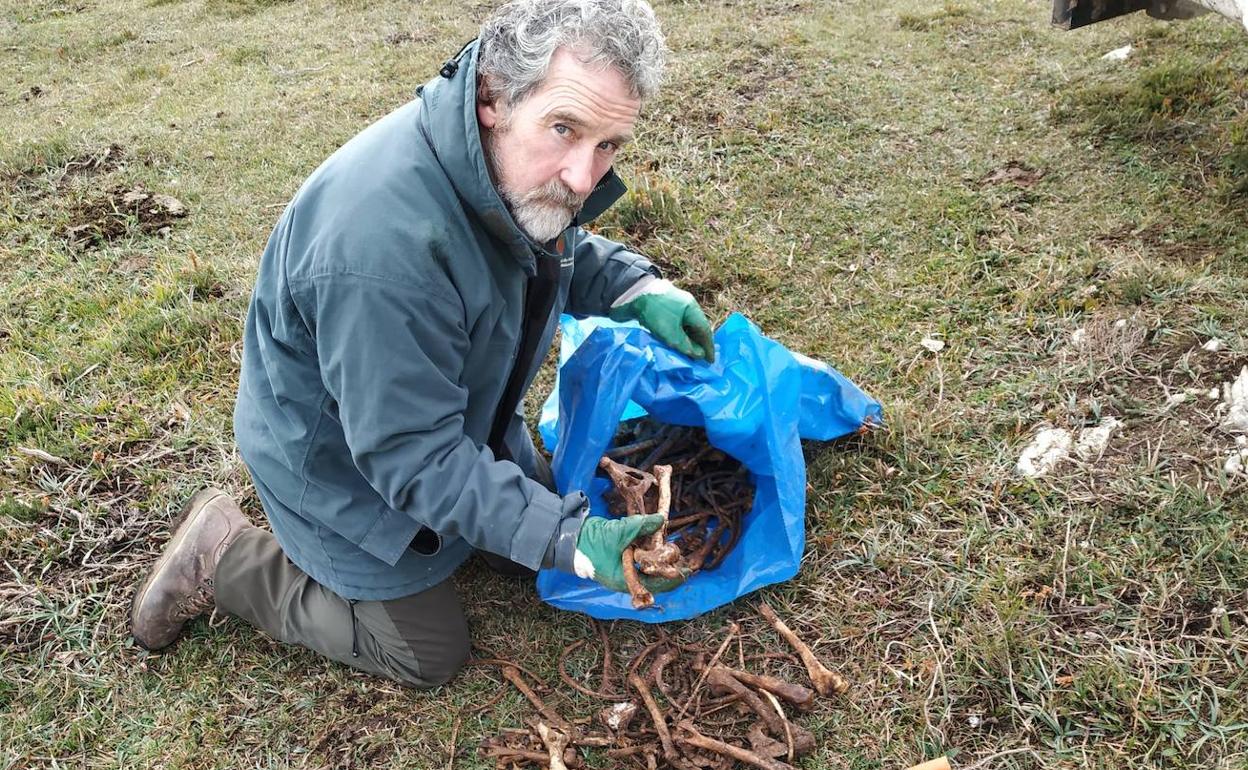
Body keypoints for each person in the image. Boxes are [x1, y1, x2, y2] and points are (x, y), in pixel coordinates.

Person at [129, 0, 715, 689]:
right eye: (565, 129)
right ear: (495, 94)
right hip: (342, 466)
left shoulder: (501, 166)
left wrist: (630, 287)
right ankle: (225, 555)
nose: (585, 178)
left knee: (529, 539)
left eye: (608, 144)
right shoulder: (380, 250)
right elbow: (412, 455)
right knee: (426, 651)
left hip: (457, 416)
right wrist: (561, 537)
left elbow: (542, 243)